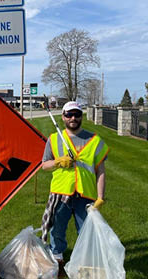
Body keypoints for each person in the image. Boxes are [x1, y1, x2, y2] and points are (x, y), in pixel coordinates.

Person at [41, 101, 109, 278]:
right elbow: (44, 165)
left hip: (85, 195)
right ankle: (57, 261)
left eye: (76, 114)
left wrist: (100, 197)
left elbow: (100, 171)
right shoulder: (54, 139)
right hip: (61, 192)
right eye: (69, 114)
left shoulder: (95, 141)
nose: (73, 118)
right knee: (57, 229)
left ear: (81, 116)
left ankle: (84, 264)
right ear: (63, 117)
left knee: (86, 231)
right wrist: (58, 161)